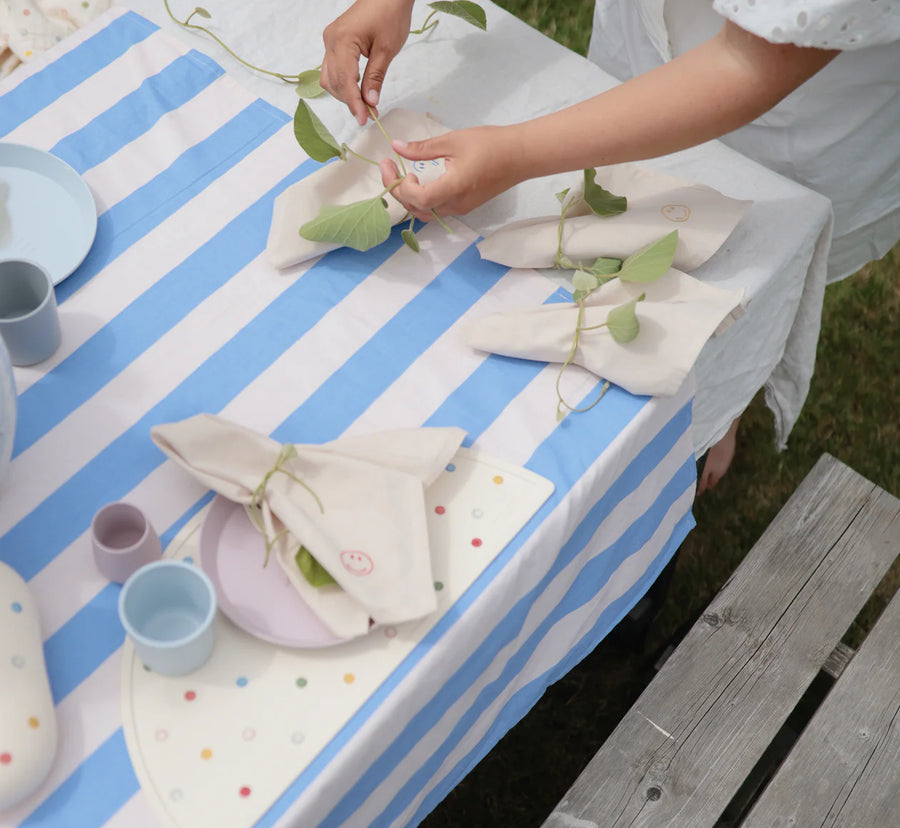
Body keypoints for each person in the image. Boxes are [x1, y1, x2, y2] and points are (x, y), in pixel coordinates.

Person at [319, 0, 900, 493]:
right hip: (652, 32)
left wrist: (516, 156)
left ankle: (724, 402)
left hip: (792, 114)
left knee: (740, 265)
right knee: (622, 224)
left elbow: (752, 60)